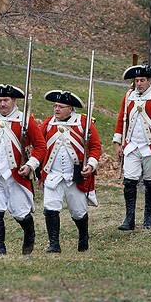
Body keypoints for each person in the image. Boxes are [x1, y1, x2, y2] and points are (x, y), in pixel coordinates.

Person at [0, 84, 47, 255]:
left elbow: (41, 146)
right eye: (0, 101)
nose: (2, 104)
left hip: (16, 176)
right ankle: (0, 250)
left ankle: (29, 235)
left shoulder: (25, 120)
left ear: (14, 101)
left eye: (6, 100)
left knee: (21, 214)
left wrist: (30, 165)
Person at [113, 64, 151, 230]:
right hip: (132, 145)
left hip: (150, 146)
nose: (139, 83)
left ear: (149, 80)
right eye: (136, 80)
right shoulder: (128, 97)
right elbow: (121, 120)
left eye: (142, 80)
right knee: (129, 182)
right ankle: (129, 219)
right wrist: (117, 142)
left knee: (150, 182)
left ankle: (148, 217)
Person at [39, 90, 102, 253]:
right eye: (55, 106)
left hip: (75, 176)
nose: (56, 109)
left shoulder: (83, 123)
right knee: (50, 209)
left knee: (79, 213)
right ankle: (54, 244)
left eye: (61, 106)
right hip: (53, 174)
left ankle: (83, 237)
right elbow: (39, 146)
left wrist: (91, 164)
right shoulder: (48, 124)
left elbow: (95, 147)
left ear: (70, 108)